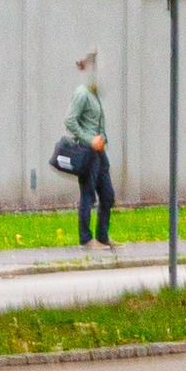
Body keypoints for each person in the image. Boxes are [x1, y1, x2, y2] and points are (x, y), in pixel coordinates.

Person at [63, 51, 115, 249]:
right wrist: (89, 139)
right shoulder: (82, 94)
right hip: (87, 152)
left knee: (108, 195)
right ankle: (86, 239)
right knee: (88, 196)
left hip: (99, 153)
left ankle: (103, 237)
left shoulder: (94, 95)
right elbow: (69, 120)